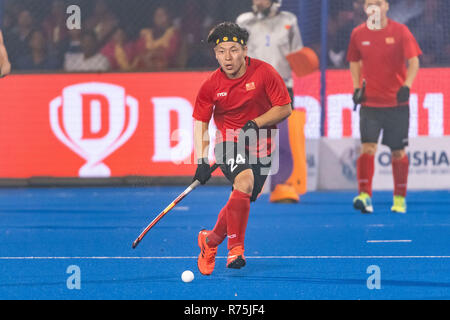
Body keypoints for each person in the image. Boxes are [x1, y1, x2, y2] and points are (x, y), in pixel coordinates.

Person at [192, 22, 292, 275]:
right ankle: (235, 250)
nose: (228, 57)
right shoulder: (210, 85)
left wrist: (256, 123)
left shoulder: (265, 73)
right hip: (228, 143)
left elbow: (284, 108)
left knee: (242, 195)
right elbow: (201, 123)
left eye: (234, 50)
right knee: (244, 181)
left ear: (244, 50)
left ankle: (210, 241)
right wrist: (202, 160)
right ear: (215, 54)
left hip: (262, 146)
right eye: (222, 51)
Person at [347, 0, 422, 214]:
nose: (374, 7)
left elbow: (414, 61)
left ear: (386, 6)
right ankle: (364, 196)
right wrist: (355, 87)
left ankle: (399, 199)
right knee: (367, 148)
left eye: (378, 3)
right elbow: (354, 61)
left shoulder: (400, 31)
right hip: (370, 103)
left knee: (398, 152)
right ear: (364, 8)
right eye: (370, 4)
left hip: (397, 104)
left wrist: (407, 85)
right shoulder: (358, 34)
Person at [236, 0, 305, 203]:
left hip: (283, 87)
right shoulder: (243, 22)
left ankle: (281, 186)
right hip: (251, 89)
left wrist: (306, 61)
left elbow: (298, 55)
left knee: (282, 140)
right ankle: (246, 184)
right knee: (250, 141)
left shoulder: (289, 21)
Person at [134, 6, 182, 71]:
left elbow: (171, 53)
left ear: (169, 17)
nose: (159, 18)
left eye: (162, 15)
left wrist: (153, 54)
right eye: (157, 15)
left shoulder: (174, 34)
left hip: (166, 72)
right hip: (144, 72)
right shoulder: (147, 34)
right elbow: (138, 51)